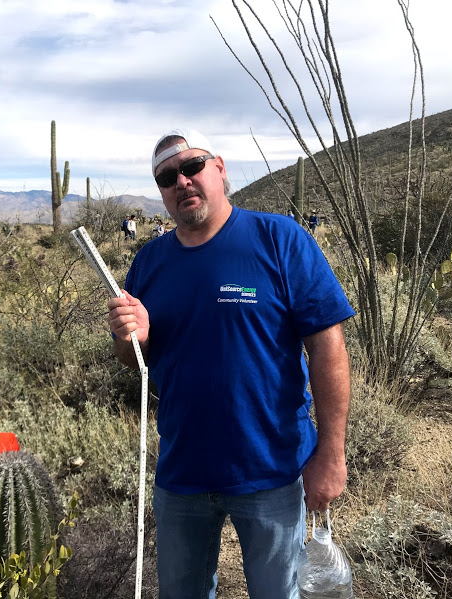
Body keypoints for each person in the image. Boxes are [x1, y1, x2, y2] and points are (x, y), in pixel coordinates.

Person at [107, 128, 354, 599]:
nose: (180, 181)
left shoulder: (279, 239)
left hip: (272, 471)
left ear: (219, 168)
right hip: (182, 474)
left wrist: (332, 454)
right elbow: (130, 359)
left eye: (191, 166)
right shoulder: (149, 262)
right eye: (166, 177)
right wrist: (128, 337)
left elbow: (328, 347)